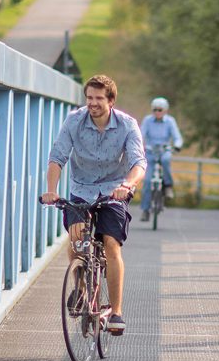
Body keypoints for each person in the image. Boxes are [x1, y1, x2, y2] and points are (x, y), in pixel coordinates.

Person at [41, 74, 146, 336]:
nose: (93, 103)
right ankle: (82, 287)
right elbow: (57, 158)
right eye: (89, 97)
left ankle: (117, 311)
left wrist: (128, 185)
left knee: (111, 243)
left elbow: (138, 162)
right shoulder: (74, 121)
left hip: (113, 192)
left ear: (111, 101)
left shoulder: (127, 125)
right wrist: (51, 191)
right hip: (81, 189)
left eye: (99, 98)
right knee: (77, 237)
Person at [140, 97, 183, 222]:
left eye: (160, 110)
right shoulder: (147, 120)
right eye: (155, 109)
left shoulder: (170, 121)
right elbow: (141, 134)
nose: (157, 112)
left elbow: (177, 137)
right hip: (150, 151)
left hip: (165, 150)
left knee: (165, 161)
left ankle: (168, 186)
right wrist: (140, 144)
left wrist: (177, 145)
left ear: (165, 110)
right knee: (147, 181)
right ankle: (145, 210)